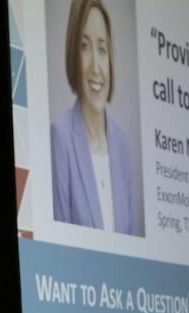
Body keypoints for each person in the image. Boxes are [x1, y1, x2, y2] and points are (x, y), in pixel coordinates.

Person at [51, 0, 139, 236]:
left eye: (101, 49)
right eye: (84, 46)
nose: (95, 67)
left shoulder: (122, 143)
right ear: (73, 53)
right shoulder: (60, 136)